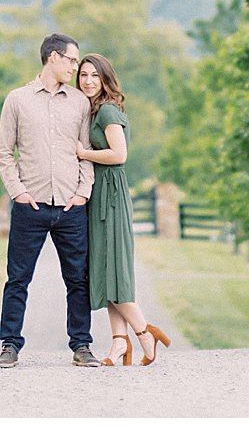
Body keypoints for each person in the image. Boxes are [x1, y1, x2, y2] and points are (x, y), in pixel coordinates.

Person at [0, 32, 98, 368]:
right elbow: (4, 154)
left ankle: (81, 345)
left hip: (70, 206)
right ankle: (10, 345)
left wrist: (83, 193)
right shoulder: (17, 100)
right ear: (52, 57)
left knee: (77, 279)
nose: (75, 67)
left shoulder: (80, 103)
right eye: (71, 60)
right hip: (30, 205)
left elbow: (87, 153)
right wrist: (18, 193)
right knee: (18, 278)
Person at [74, 52, 172, 367]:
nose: (88, 81)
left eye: (94, 75)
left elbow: (120, 154)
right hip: (99, 194)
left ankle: (145, 332)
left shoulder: (107, 111)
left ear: (105, 79)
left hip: (110, 197)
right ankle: (119, 343)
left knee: (114, 271)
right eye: (83, 75)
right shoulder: (95, 110)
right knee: (106, 272)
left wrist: (82, 152)